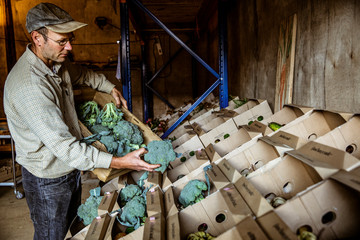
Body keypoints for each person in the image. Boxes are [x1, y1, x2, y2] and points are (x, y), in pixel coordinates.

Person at [3, 3, 160, 240]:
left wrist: (110, 88)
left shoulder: (56, 65)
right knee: (49, 235)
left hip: (68, 169)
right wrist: (118, 162)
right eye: (62, 41)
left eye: (70, 39)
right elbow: (65, 147)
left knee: (69, 227)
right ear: (37, 38)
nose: (70, 46)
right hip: (48, 179)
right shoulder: (30, 86)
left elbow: (83, 74)